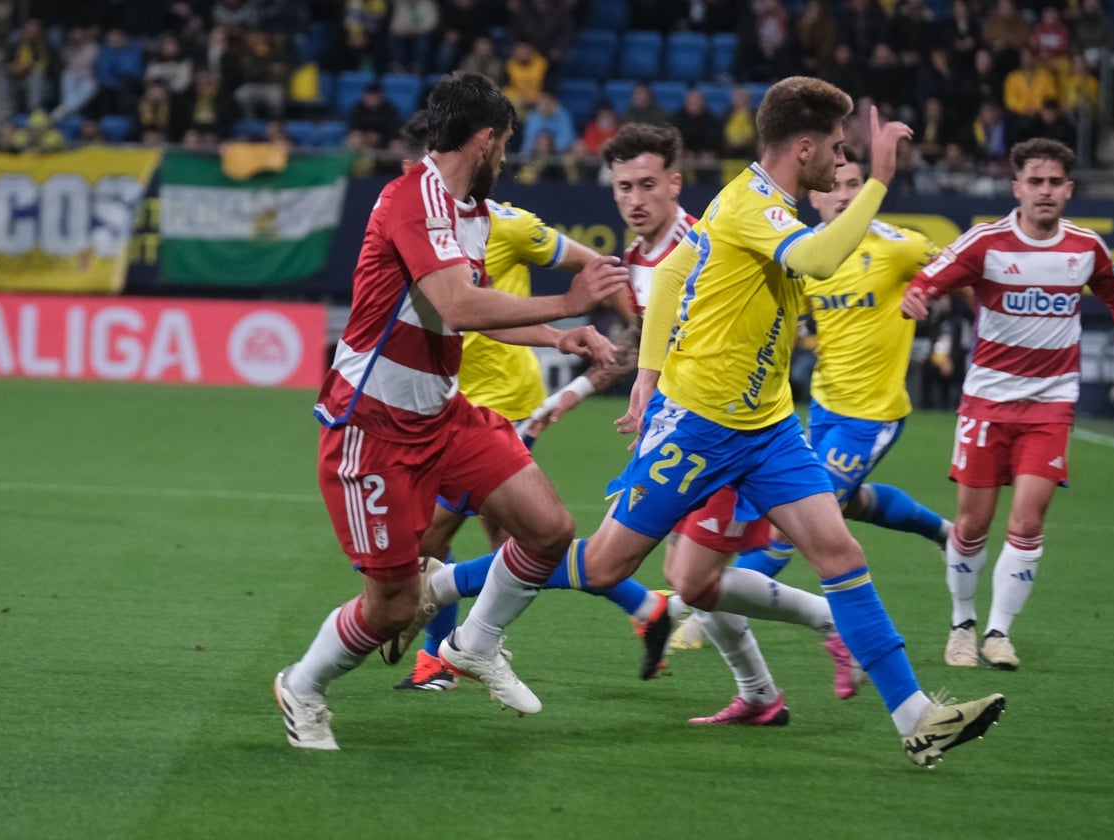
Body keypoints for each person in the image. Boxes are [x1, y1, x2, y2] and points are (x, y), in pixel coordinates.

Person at [443, 77, 1006, 767]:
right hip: (701, 425)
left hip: (769, 428)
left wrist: (646, 371)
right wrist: (880, 182)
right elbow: (821, 259)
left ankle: (919, 719)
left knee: (841, 555)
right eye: (835, 146)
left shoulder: (750, 205)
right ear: (804, 148)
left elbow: (677, 270)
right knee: (603, 565)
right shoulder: (753, 206)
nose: (841, 158)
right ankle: (456, 601)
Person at [274, 73, 629, 750]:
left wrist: (560, 338)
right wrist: (567, 303)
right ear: (488, 139)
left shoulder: (469, 212)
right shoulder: (411, 198)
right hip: (370, 428)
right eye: (506, 147)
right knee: (392, 607)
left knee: (549, 528)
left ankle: (475, 642)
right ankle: (304, 684)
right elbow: (461, 306)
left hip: (442, 417)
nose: (507, 160)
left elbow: (472, 315)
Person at [388, 112, 666, 691]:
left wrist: (640, 342)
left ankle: (439, 656)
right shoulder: (415, 225)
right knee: (516, 544)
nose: (413, 179)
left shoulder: (505, 224)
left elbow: (594, 265)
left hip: (506, 404)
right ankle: (647, 610)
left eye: (419, 168)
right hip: (452, 401)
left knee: (434, 535)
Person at [670, 149, 955, 702]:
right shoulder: (801, 251)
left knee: (789, 523)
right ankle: (938, 531)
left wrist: (929, 292)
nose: (845, 193)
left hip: (872, 415)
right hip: (821, 404)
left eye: (856, 183)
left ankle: (702, 610)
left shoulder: (896, 245)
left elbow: (954, 265)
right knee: (835, 506)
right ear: (816, 191)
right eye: (837, 184)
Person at [900, 138, 1114, 671]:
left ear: (1069, 189)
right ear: (1016, 187)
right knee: (971, 526)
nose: (1045, 191)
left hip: (1051, 405)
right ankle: (962, 624)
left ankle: (998, 632)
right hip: (987, 404)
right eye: (1034, 181)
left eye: (1054, 182)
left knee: (1028, 521)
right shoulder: (985, 243)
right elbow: (929, 280)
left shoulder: (1086, 248)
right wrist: (916, 295)